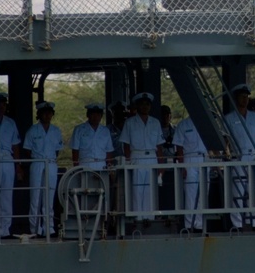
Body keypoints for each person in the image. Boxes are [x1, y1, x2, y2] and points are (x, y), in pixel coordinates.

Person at [223, 84, 255, 230]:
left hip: (254, 158)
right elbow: (225, 142)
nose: (245, 99)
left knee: (253, 192)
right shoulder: (229, 118)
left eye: (247, 97)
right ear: (236, 98)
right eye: (242, 96)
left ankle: (252, 222)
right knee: (238, 192)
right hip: (238, 157)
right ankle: (237, 224)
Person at [118, 92, 164, 226]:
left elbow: (159, 146)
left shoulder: (155, 122)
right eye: (142, 104)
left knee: (150, 190)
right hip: (136, 156)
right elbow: (126, 145)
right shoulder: (130, 122)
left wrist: (161, 165)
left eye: (147, 104)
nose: (145, 107)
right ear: (137, 106)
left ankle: (150, 219)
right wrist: (128, 161)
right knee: (137, 190)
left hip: (152, 157)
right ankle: (137, 219)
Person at [22, 100, 63, 237]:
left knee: (49, 197)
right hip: (37, 162)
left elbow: (57, 150)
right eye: (44, 113)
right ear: (39, 114)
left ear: (52, 114)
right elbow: (27, 149)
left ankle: (48, 228)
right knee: (35, 197)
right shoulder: (33, 130)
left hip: (51, 163)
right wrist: (37, 158)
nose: (47, 116)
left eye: (49, 113)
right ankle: (34, 228)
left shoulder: (56, 131)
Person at [173, 113, 209, 232]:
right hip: (189, 158)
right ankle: (189, 225)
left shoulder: (207, 123)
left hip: (204, 158)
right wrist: (182, 165)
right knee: (190, 194)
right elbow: (178, 147)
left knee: (204, 193)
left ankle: (200, 225)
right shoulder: (183, 124)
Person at [0, 93, 23, 238]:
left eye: (3, 104)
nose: (1, 106)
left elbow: (16, 146)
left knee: (7, 195)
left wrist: (18, 166)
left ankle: (5, 229)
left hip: (7, 159)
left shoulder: (10, 123)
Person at [71, 103, 114, 170]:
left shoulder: (105, 131)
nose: (95, 117)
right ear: (87, 115)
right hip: (85, 164)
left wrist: (109, 167)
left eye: (98, 115)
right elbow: (75, 151)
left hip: (101, 164)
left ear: (101, 116)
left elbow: (109, 151)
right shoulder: (79, 129)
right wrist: (76, 168)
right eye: (93, 114)